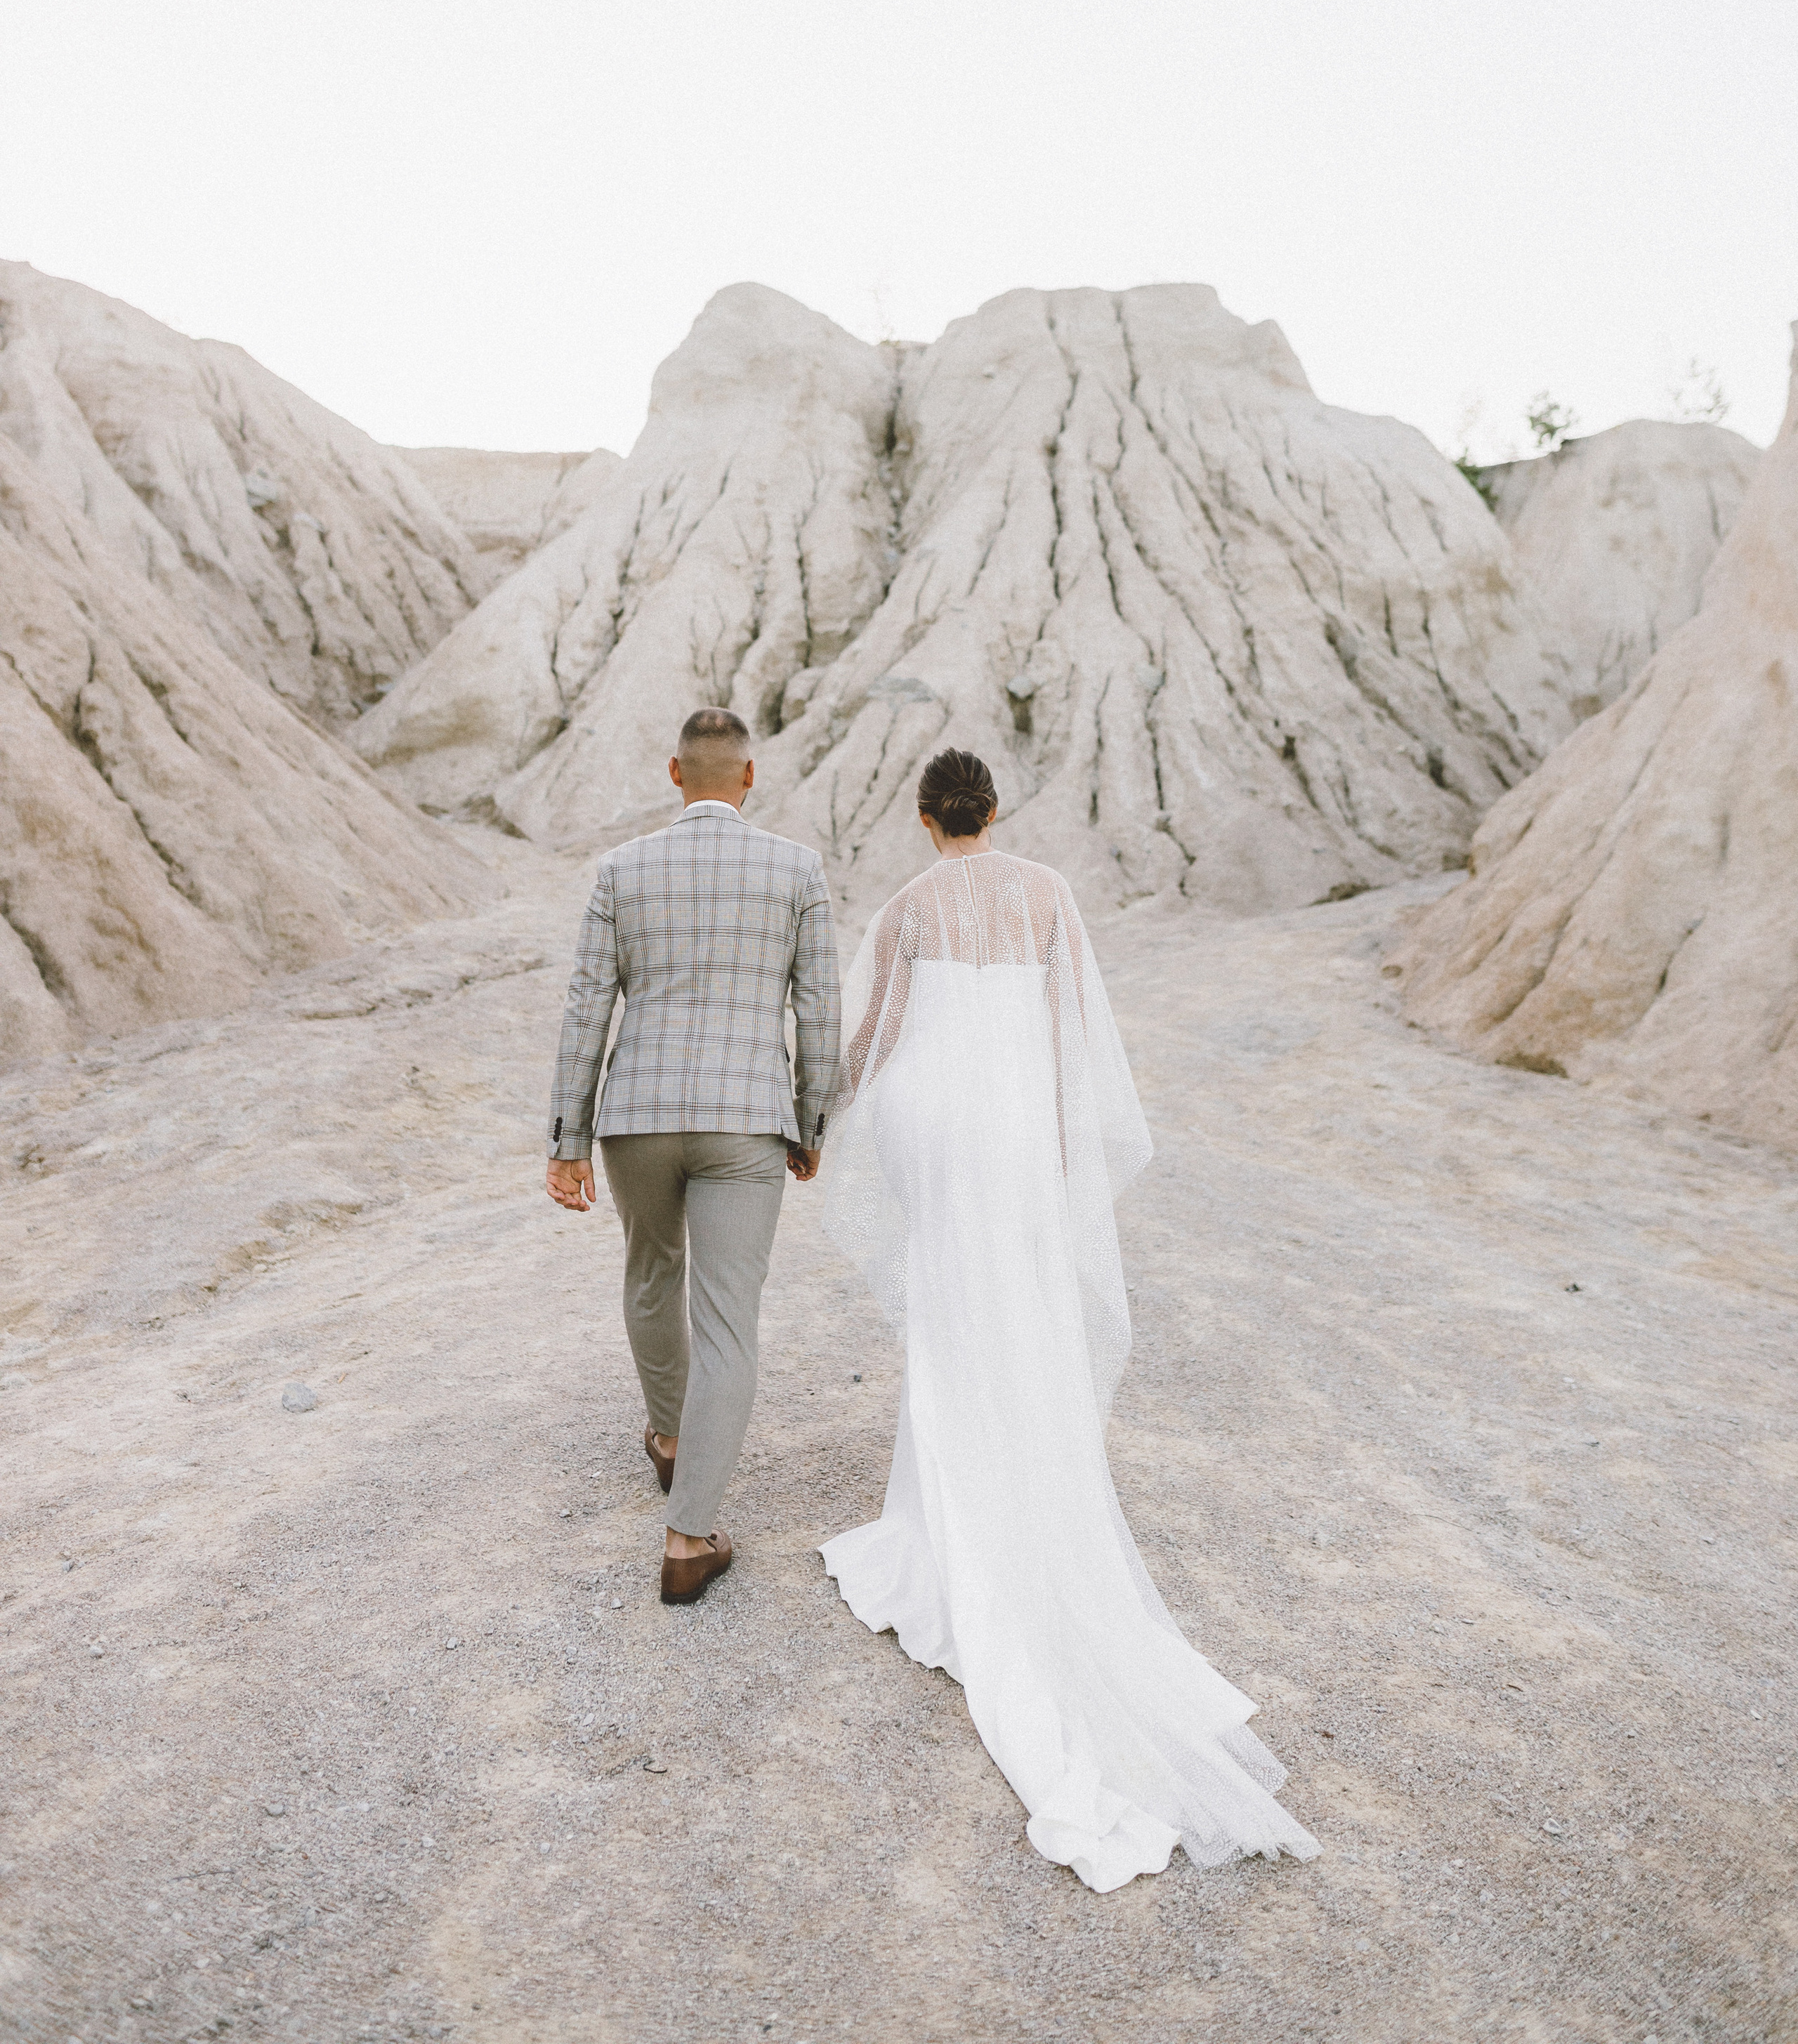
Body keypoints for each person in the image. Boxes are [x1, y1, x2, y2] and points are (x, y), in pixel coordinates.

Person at [819, 747, 1320, 1890]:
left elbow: (880, 1030)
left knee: (947, 1303)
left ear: (924, 818)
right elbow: (1064, 1032)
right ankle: (1010, 1463)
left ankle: (944, 1510)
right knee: (1014, 1296)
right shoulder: (1046, 893)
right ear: (993, 812)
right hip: (1005, 1119)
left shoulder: (904, 907)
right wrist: (1049, 1136)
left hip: (930, 1121)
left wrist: (828, 1109)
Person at [545, 708, 841, 1604]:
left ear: (675, 775)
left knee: (649, 1274)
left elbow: (586, 1009)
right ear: (749, 779)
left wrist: (568, 1139)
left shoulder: (621, 869)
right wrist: (811, 1120)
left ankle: (670, 1441)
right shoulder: (794, 868)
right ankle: (687, 1536)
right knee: (727, 1319)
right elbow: (818, 1009)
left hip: (636, 1115)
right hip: (744, 1118)